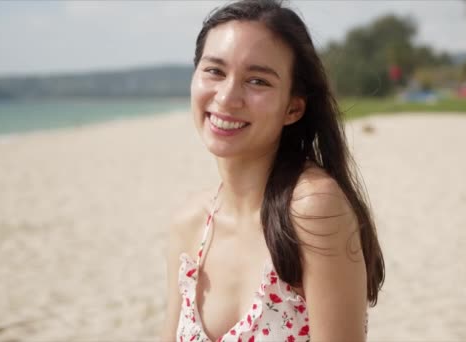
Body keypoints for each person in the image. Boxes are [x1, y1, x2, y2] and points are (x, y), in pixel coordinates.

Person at [161, 0, 385, 341]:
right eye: (214, 71)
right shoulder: (190, 225)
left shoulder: (311, 210)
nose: (227, 97)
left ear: (293, 108)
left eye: (257, 81)